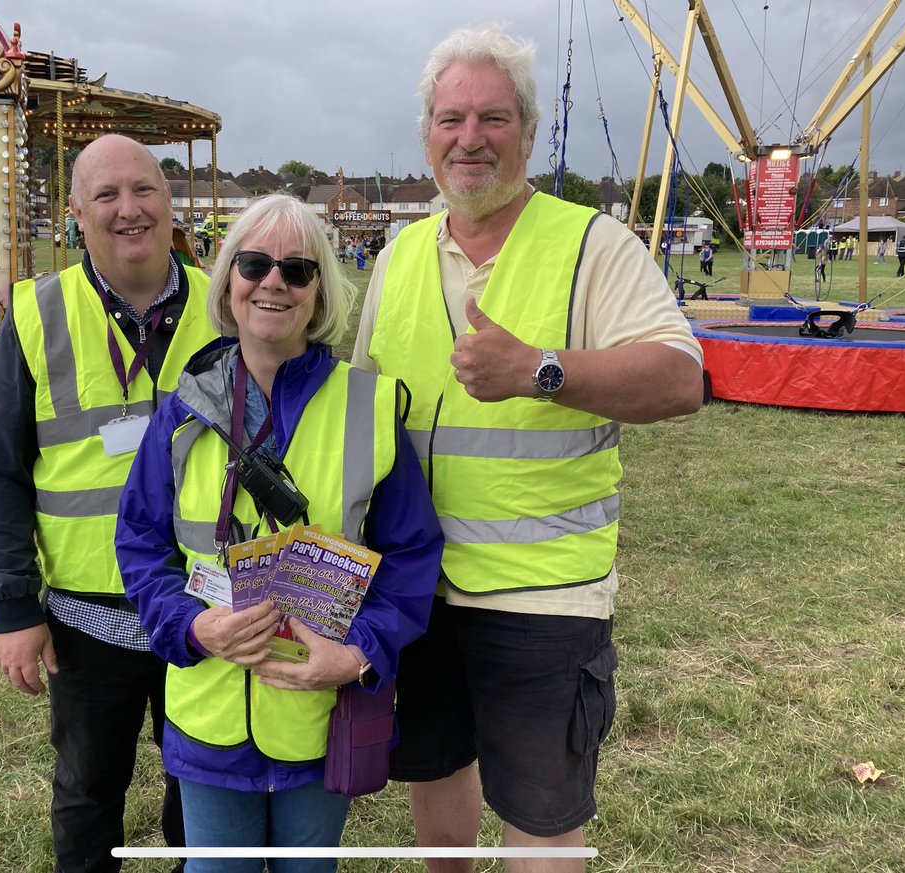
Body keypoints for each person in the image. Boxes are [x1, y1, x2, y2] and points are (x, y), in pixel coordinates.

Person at [352, 24, 705, 871]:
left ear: (530, 131)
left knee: (542, 825)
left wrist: (539, 370)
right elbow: (359, 404)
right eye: (450, 119)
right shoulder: (400, 254)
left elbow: (681, 379)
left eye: (493, 118)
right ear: (428, 135)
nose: (469, 138)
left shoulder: (592, 244)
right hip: (415, 588)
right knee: (435, 778)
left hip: (544, 599)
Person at [114, 193, 443, 871]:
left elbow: (411, 557)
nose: (273, 282)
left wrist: (356, 656)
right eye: (255, 263)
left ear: (320, 291)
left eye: (296, 270)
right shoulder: (180, 413)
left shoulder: (371, 405)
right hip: (210, 710)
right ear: (228, 280)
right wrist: (191, 627)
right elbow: (143, 545)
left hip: (321, 714)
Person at [0, 133, 221, 873]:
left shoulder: (228, 304)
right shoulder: (36, 315)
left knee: (200, 786)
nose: (128, 209)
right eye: (105, 196)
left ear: (169, 200)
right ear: (77, 213)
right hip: (87, 615)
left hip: (203, 605)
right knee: (87, 790)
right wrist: (14, 606)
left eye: (142, 189)